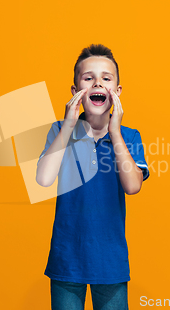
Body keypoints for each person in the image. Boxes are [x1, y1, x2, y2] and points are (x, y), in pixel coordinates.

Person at [36, 44, 150, 310]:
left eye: (106, 78)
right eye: (89, 78)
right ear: (76, 92)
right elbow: (43, 179)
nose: (98, 82)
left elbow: (133, 186)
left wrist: (116, 132)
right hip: (66, 260)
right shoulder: (59, 131)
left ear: (117, 92)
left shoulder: (129, 136)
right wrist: (67, 126)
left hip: (110, 262)